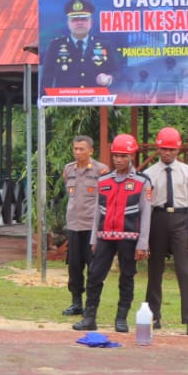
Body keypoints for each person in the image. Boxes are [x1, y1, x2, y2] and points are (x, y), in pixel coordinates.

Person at [73, 134, 152, 333]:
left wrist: (143, 243)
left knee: (127, 277)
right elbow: (96, 213)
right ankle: (89, 317)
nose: (119, 159)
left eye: (123, 156)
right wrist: (93, 238)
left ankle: (121, 318)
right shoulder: (104, 180)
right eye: (116, 155)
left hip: (129, 237)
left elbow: (147, 213)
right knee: (94, 275)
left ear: (131, 156)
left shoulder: (142, 182)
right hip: (104, 237)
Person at [143, 126, 188, 335]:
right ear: (158, 149)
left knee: (184, 270)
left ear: (178, 150)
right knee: (154, 270)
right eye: (165, 149)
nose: (168, 153)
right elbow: (146, 206)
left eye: (172, 150)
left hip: (180, 219)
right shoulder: (148, 174)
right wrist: (144, 237)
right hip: (157, 219)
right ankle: (153, 315)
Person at [60, 135, 108, 316]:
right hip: (74, 225)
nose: (78, 152)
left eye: (81, 149)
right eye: (75, 149)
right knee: (74, 266)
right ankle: (76, 302)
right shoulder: (68, 170)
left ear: (91, 151)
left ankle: (91, 305)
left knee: (94, 268)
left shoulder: (101, 170)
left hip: (92, 226)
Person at [44, 0, 118, 88]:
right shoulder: (55, 46)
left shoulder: (104, 45)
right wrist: (44, 99)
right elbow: (47, 77)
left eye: (84, 19)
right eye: (74, 20)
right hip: (65, 100)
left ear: (91, 22)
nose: (79, 23)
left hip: (96, 100)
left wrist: (108, 79)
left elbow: (116, 72)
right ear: (68, 23)